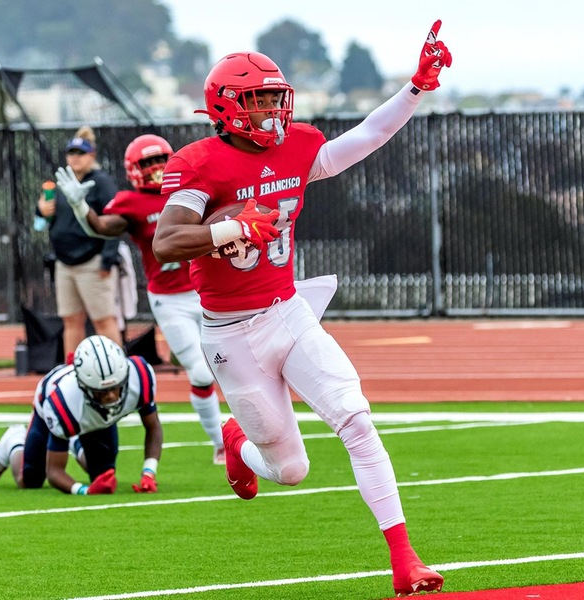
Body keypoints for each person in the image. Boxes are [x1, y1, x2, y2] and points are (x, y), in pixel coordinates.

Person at [151, 21, 452, 596]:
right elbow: (168, 241)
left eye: (275, 98)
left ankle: (405, 559)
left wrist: (415, 88)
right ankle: (238, 442)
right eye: (259, 100)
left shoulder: (298, 145)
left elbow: (362, 139)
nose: (272, 111)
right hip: (230, 335)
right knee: (291, 470)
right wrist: (233, 227)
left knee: (356, 420)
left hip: (287, 310)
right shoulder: (198, 162)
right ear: (228, 106)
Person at [63, 133, 226, 465]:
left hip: (209, 291)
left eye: (159, 160)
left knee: (237, 366)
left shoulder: (191, 191)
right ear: (133, 170)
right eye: (147, 163)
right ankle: (221, 443)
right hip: (171, 301)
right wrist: (81, 208)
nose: (155, 168)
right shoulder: (132, 203)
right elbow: (102, 227)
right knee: (200, 372)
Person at [0, 335, 163, 495]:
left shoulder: (139, 377)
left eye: (115, 388)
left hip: (91, 419)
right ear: (84, 387)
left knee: (102, 476)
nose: (111, 396)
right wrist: (85, 491)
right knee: (30, 480)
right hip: (51, 402)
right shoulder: (64, 402)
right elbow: (54, 472)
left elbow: (153, 427)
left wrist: (149, 472)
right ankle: (13, 441)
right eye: (102, 391)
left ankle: (74, 441)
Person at [38, 126, 123, 355]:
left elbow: (115, 221)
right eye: (71, 153)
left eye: (80, 153)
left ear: (91, 155)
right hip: (64, 264)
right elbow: (42, 221)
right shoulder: (62, 183)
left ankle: (118, 370)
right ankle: (71, 371)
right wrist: (40, 211)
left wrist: (107, 260)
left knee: (103, 321)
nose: (75, 158)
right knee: (71, 322)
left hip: (92, 262)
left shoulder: (100, 182)